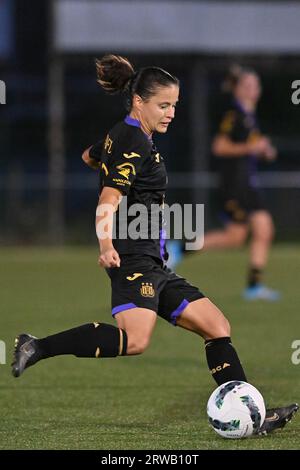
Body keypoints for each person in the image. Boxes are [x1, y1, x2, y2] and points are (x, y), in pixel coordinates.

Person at [12, 55, 298, 435]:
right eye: (163, 105)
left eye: (175, 105)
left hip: (154, 262)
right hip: (133, 258)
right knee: (135, 340)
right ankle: (38, 346)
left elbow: (89, 156)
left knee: (217, 325)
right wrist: (105, 244)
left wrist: (117, 174)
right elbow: (107, 201)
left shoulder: (130, 134)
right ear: (138, 102)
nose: (171, 113)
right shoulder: (134, 141)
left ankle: (253, 416)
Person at [200, 66, 280, 301]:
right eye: (247, 85)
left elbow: (251, 148)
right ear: (237, 89)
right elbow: (219, 146)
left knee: (235, 237)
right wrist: (251, 147)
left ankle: (177, 248)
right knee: (264, 227)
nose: (253, 90)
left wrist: (264, 151)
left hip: (247, 184)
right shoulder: (234, 116)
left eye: (256, 85)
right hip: (236, 185)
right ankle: (254, 287)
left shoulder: (249, 119)